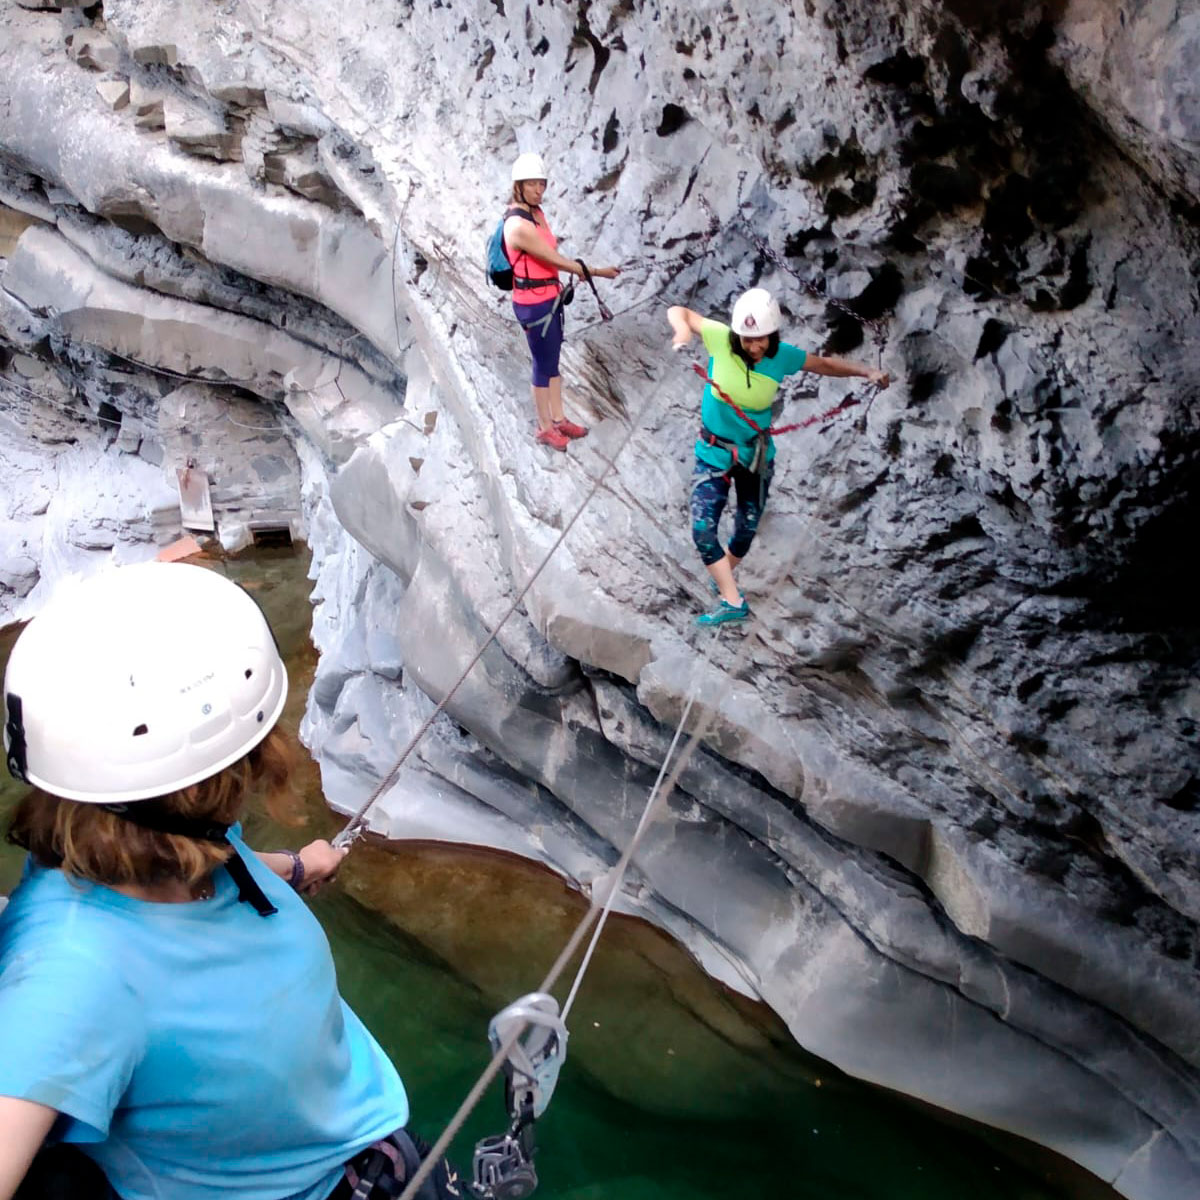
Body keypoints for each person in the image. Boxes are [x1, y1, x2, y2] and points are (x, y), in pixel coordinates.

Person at [0, 562, 456, 1200]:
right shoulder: (71, 976)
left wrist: (294, 868)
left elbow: (215, 864)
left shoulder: (148, 834)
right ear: (219, 778)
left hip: (362, 1146)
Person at [667, 288, 890, 626]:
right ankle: (732, 600)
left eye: (762, 340)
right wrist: (683, 332)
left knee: (746, 528)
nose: (755, 347)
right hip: (713, 452)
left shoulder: (781, 356)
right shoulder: (719, 337)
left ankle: (722, 577)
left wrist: (866, 373)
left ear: (773, 336)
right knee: (702, 529)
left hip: (755, 455)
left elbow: (824, 364)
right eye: (747, 339)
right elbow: (678, 310)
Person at [504, 151, 621, 452]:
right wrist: (596, 272)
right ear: (519, 185)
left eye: (542, 184)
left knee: (552, 359)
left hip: (549, 296)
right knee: (543, 365)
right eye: (532, 185)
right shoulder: (518, 226)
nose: (539, 190)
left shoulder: (536, 213)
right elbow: (552, 257)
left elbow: (550, 258)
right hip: (534, 305)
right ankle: (544, 427)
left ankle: (558, 418)